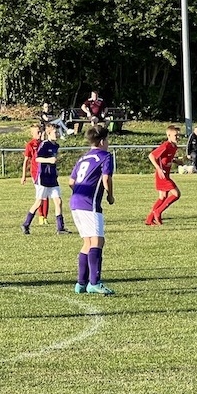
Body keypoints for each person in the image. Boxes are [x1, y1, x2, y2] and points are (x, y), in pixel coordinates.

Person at [69, 125, 115, 295]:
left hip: (75, 201)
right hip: (89, 203)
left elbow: (71, 182)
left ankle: (81, 283)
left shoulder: (83, 158)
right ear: (102, 141)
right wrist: (110, 195)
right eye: (107, 140)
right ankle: (94, 282)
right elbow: (106, 178)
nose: (108, 143)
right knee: (97, 241)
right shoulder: (105, 156)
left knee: (88, 242)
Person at [22, 124, 70, 235]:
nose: (57, 134)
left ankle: (60, 228)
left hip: (52, 178)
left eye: (57, 132)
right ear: (49, 133)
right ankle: (26, 224)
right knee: (38, 202)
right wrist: (49, 160)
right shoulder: (44, 144)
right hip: (43, 178)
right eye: (55, 132)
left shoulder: (56, 145)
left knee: (58, 201)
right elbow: (37, 159)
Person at [145, 125, 182, 226]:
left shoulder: (174, 147)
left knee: (162, 197)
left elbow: (166, 158)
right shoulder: (166, 145)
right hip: (162, 175)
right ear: (168, 135)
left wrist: (176, 161)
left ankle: (149, 219)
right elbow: (151, 156)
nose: (178, 137)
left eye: (179, 135)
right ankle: (158, 212)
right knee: (176, 194)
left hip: (166, 174)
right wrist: (158, 168)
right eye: (176, 135)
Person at [20, 124, 49, 226]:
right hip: (36, 173)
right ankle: (41, 216)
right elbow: (26, 161)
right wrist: (24, 176)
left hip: (45, 172)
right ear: (32, 134)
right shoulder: (30, 145)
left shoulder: (43, 143)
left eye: (40, 132)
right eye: (37, 132)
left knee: (46, 195)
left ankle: (45, 217)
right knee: (40, 195)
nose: (39, 134)